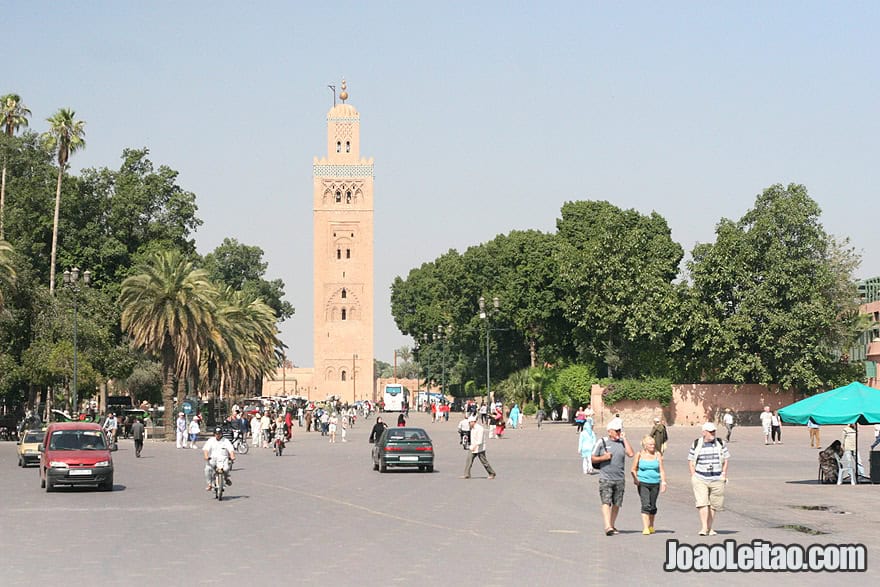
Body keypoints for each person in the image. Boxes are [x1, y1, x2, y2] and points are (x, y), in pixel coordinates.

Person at [591, 417, 634, 536]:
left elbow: (631, 454)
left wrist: (624, 439)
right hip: (606, 478)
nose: (618, 433)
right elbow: (592, 458)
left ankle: (612, 524)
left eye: (619, 430)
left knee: (616, 503)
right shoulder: (602, 442)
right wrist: (603, 458)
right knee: (606, 502)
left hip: (619, 478)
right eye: (616, 431)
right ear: (609, 431)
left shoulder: (622, 442)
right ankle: (607, 526)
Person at [688, 422, 730, 536]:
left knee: (713, 504)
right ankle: (704, 527)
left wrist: (724, 473)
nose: (713, 434)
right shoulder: (697, 443)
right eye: (710, 432)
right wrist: (693, 475)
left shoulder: (720, 443)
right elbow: (691, 460)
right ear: (704, 432)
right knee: (702, 503)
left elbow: (726, 459)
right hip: (700, 477)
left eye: (714, 431)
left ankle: (710, 527)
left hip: (716, 478)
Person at [631, 435, 666, 535]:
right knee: (645, 504)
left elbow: (661, 470)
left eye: (654, 444)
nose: (653, 446)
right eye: (650, 444)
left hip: (655, 482)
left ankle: (651, 525)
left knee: (653, 506)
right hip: (643, 483)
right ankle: (645, 527)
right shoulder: (639, 454)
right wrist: (635, 479)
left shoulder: (657, 454)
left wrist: (663, 482)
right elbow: (633, 468)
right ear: (645, 445)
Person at [203, 427, 235, 491]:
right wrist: (206, 456)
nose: (218, 435)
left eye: (219, 434)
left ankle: (226, 478)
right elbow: (206, 449)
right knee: (207, 469)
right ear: (214, 434)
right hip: (213, 458)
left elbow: (231, 449)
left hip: (223, 458)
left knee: (226, 469)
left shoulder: (226, 441)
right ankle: (210, 484)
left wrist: (232, 456)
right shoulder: (211, 440)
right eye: (216, 434)